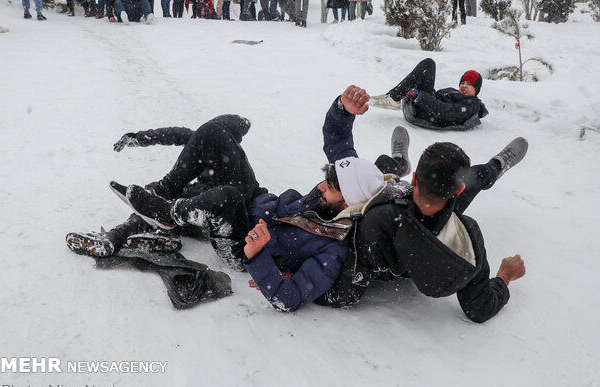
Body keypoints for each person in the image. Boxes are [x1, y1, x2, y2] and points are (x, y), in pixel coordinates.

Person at [67, 87, 407, 312]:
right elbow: (338, 141)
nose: (320, 187)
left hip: (243, 244)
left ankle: (170, 214)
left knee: (225, 197)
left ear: (348, 204)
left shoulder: (334, 250)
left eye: (331, 189)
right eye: (325, 179)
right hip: (257, 201)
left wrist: (257, 257)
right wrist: (342, 109)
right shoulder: (351, 184)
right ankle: (167, 193)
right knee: (215, 133)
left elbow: (289, 299)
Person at [316, 129, 529, 323]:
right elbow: (480, 308)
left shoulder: (375, 221)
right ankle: (495, 166)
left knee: (380, 173)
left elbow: (346, 291)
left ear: (414, 179)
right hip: (435, 214)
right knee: (476, 177)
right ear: (458, 191)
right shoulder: (468, 234)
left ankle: (398, 162)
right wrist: (505, 276)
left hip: (399, 213)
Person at [370, 58, 488, 129]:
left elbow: (444, 111)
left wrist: (419, 95)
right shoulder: (455, 92)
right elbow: (438, 97)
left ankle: (394, 98)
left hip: (429, 113)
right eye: (463, 82)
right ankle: (392, 97)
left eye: (469, 84)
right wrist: (423, 93)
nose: (464, 86)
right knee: (427, 66)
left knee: (429, 64)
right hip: (426, 106)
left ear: (476, 89)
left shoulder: (471, 104)